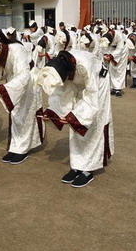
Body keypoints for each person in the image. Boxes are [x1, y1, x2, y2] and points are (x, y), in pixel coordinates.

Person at [37, 50, 113, 188]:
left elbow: (91, 96)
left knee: (93, 122)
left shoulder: (85, 65)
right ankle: (78, 165)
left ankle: (88, 168)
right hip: (77, 81)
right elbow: (59, 92)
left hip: (98, 84)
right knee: (75, 121)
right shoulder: (62, 66)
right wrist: (53, 113)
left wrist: (75, 116)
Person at [0, 30, 44, 164]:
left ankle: (22, 148)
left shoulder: (17, 50)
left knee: (26, 114)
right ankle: (16, 146)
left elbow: (24, 75)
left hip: (29, 81)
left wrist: (2, 88)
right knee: (16, 114)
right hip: (13, 81)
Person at [99, 28, 127, 97]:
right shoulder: (105, 36)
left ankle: (118, 89)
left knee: (119, 69)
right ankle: (113, 88)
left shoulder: (119, 35)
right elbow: (104, 47)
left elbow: (120, 48)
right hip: (112, 49)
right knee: (111, 68)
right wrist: (106, 55)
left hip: (122, 50)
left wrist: (111, 56)